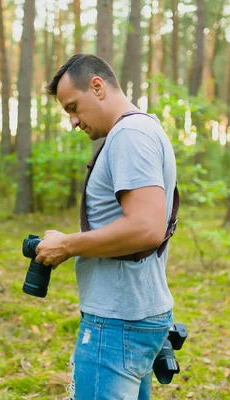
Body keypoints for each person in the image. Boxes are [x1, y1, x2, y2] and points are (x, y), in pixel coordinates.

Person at [35, 54, 177, 399]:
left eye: (73, 107)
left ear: (97, 86)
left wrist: (67, 245)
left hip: (117, 321)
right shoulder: (142, 128)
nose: (72, 121)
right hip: (135, 314)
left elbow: (146, 228)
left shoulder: (129, 135)